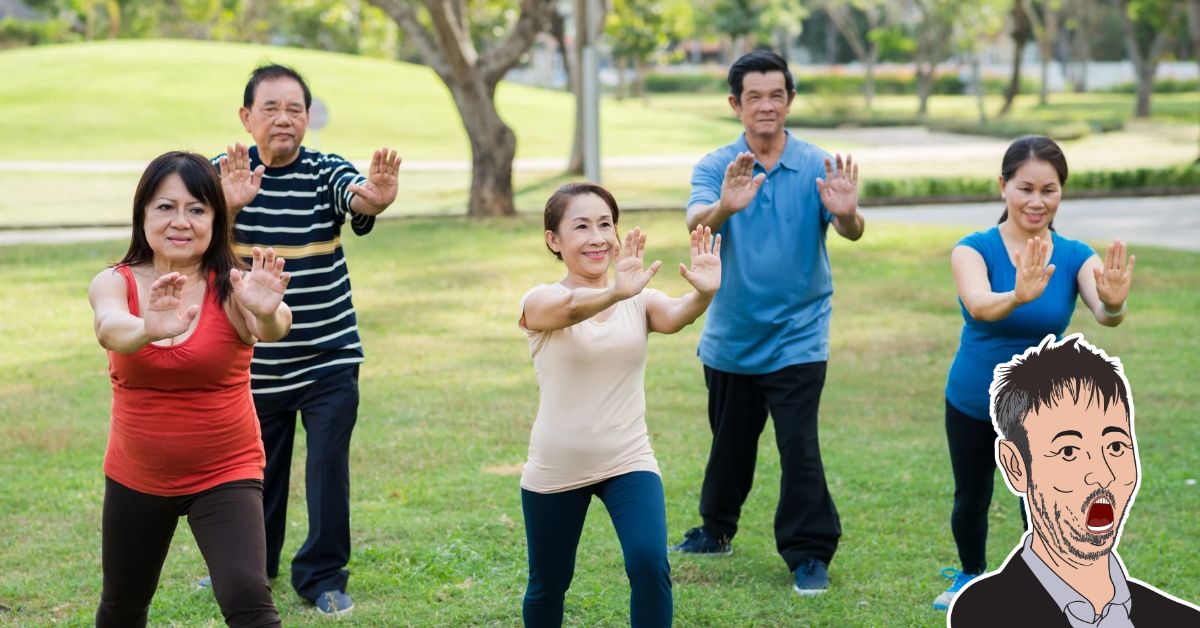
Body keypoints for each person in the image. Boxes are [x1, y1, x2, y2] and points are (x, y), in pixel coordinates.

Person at [669, 50, 865, 596]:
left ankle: (808, 554)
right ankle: (716, 529)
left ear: (790, 100)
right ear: (735, 104)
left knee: (799, 445)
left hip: (800, 335)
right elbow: (695, 221)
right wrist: (726, 207)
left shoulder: (817, 164)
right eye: (753, 96)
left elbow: (850, 230)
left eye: (776, 95)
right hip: (732, 333)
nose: (765, 106)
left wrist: (847, 212)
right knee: (730, 441)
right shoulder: (717, 166)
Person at [212, 63, 401, 615]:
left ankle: (322, 576)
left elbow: (356, 195)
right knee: (254, 474)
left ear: (308, 118)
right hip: (255, 360)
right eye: (270, 108)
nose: (284, 119)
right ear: (246, 117)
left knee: (326, 469)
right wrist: (228, 204)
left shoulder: (323, 171)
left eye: (295, 109)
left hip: (329, 357)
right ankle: (252, 569)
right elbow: (191, 234)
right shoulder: (222, 173)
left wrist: (375, 197)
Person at [87, 151, 292, 627]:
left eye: (197, 209)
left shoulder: (234, 284)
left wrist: (264, 311)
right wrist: (147, 330)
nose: (181, 221)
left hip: (226, 470)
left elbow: (277, 325)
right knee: (123, 603)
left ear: (216, 220)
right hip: (137, 474)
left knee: (247, 594)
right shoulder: (114, 283)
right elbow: (109, 326)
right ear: (142, 214)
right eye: (165, 207)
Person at [934, 135, 1135, 611]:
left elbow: (1107, 316)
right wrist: (1017, 296)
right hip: (973, 398)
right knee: (972, 493)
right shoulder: (973, 249)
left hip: (1043, 409)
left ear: (1061, 193)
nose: (1037, 201)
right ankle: (969, 575)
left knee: (1048, 503)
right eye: (1025, 188)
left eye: (1049, 190)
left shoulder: (1073, 255)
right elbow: (981, 307)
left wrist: (1113, 300)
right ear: (1002, 187)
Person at [518, 183, 722, 627]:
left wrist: (703, 295)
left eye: (606, 224)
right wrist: (614, 293)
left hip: (627, 459)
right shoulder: (539, 300)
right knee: (549, 583)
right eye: (582, 226)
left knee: (650, 564)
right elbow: (570, 308)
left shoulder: (640, 300)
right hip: (557, 466)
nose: (598, 238)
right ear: (554, 240)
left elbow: (675, 315)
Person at [948, 334, 1200, 626]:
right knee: (971, 496)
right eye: (1069, 451)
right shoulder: (985, 612)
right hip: (969, 399)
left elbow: (1109, 310)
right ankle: (970, 567)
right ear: (1016, 466)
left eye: (1116, 446)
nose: (1102, 474)